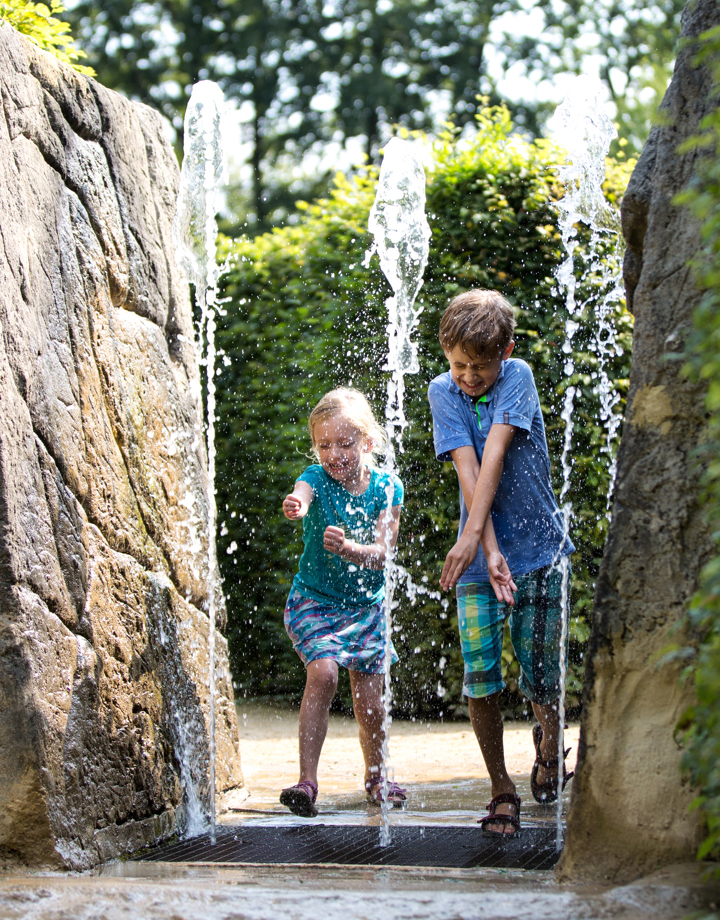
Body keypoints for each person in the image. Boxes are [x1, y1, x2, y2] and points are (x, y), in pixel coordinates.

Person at [427, 289, 575, 838]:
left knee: (541, 673)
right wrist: (484, 549)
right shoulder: (442, 390)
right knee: (481, 676)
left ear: (505, 352)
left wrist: (478, 540)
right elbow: (467, 470)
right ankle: (500, 787)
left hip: (538, 550)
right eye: (459, 364)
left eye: (479, 366)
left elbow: (494, 455)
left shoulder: (518, 376)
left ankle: (549, 744)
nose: (468, 376)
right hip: (478, 557)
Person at [280, 387, 406, 817]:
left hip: (365, 609)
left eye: (344, 443)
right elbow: (304, 491)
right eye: (324, 445)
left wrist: (350, 548)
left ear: (367, 443)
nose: (333, 453)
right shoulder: (315, 479)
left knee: (370, 699)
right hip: (314, 601)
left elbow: (384, 555)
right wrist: (297, 504)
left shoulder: (388, 489)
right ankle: (307, 782)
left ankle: (376, 775)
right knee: (325, 673)